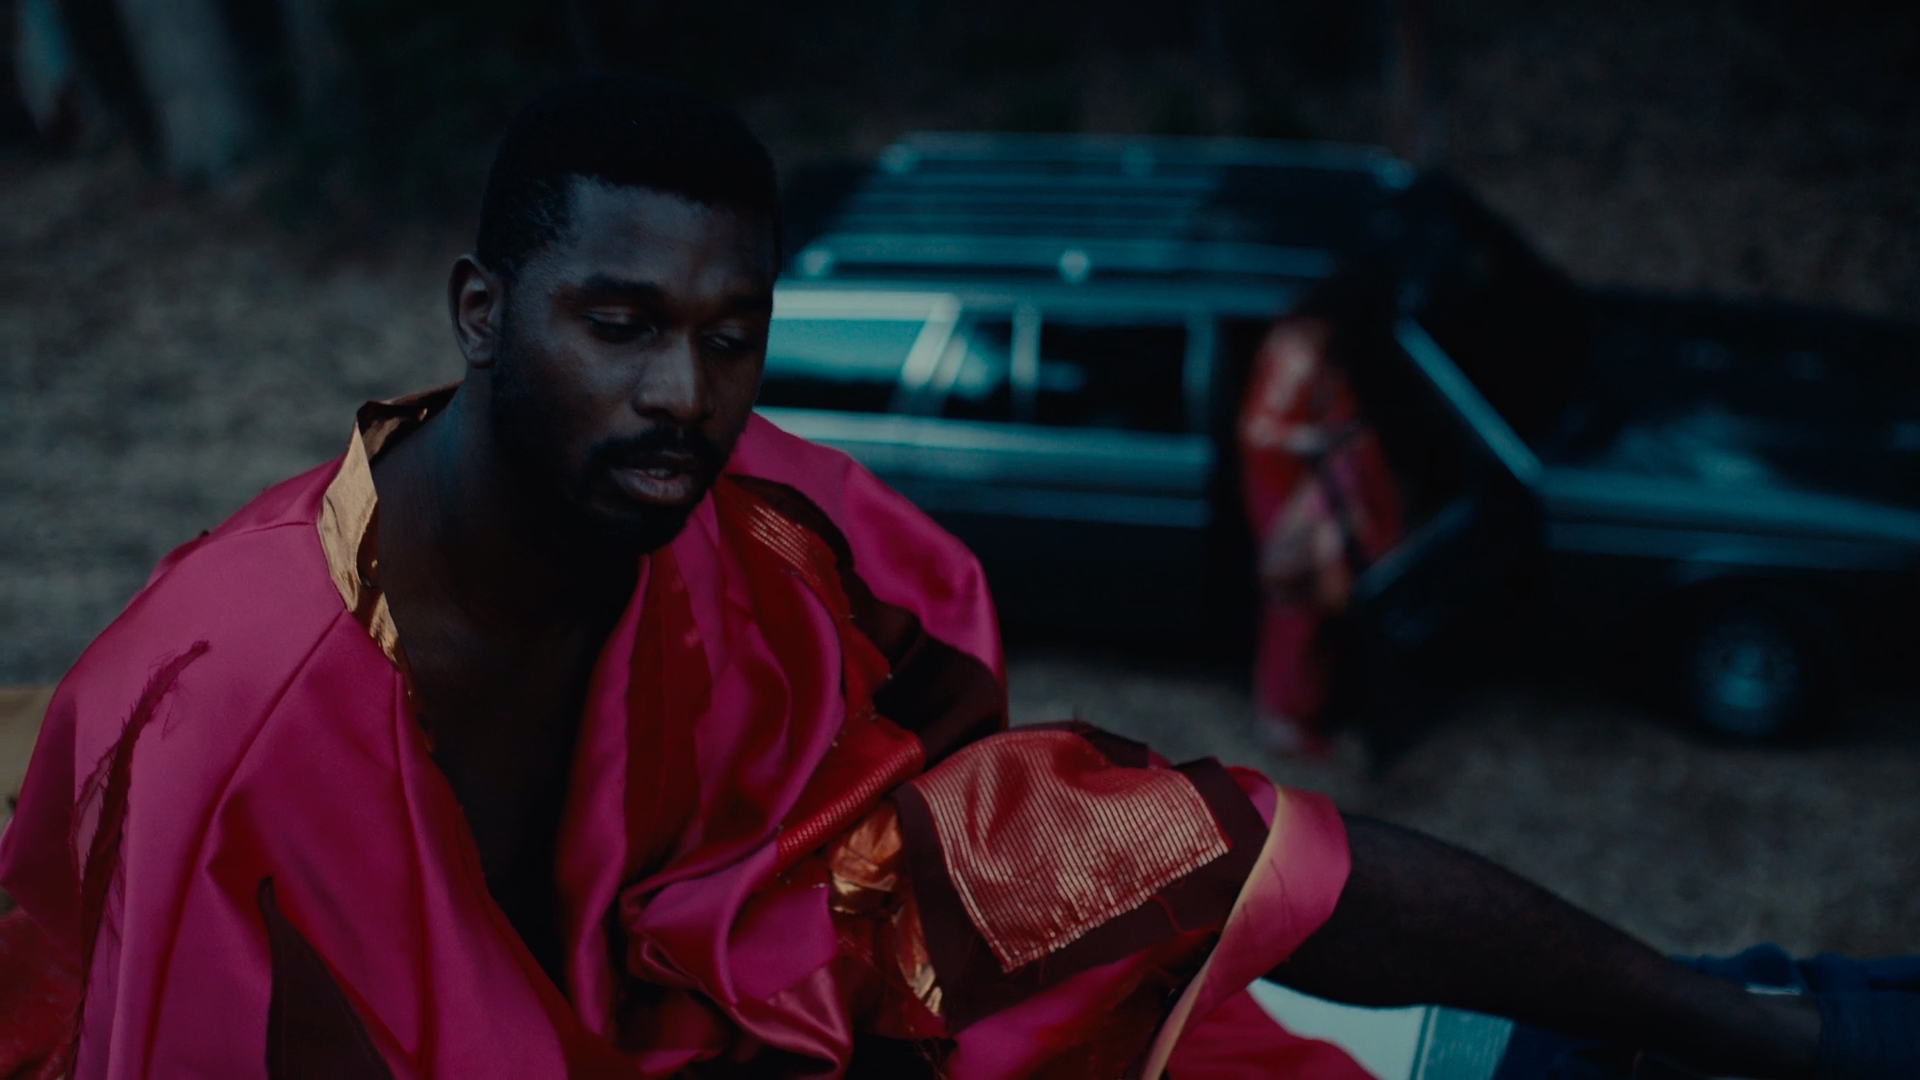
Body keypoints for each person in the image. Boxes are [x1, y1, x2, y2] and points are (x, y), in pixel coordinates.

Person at [0, 77, 1908, 1080]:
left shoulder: (742, 516)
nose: (683, 394)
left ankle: (1763, 1024)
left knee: (1168, 836)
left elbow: (901, 782)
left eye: (731, 334)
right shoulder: (228, 702)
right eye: (621, 322)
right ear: (482, 310)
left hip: (743, 971)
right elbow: (162, 1023)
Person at [1236, 317, 1401, 755]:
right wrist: (1309, 439)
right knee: (1294, 597)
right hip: (1284, 490)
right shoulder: (1297, 354)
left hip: (1309, 494)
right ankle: (1283, 715)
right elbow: (1259, 428)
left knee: (1313, 603)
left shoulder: (1320, 362)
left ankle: (1304, 711)